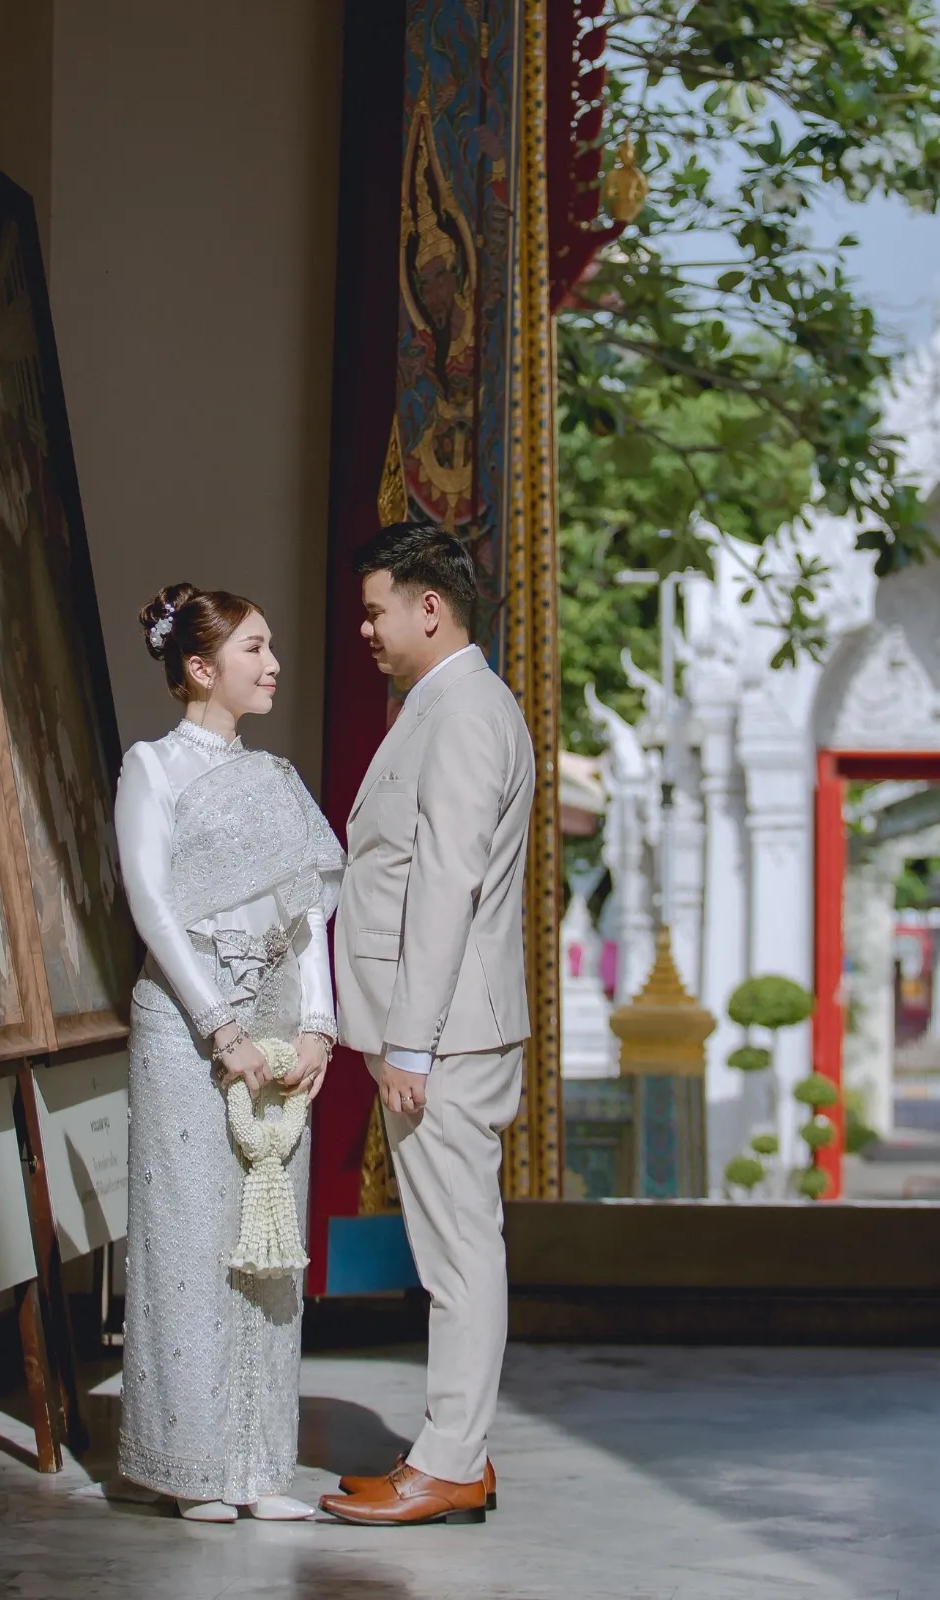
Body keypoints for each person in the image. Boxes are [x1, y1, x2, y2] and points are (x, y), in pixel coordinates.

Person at [113, 582, 344, 1524]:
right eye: (255, 647)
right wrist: (220, 1026)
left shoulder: (279, 779)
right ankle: (188, 1468)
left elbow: (308, 919)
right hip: (187, 1027)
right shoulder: (152, 768)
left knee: (267, 1249)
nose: (273, 662)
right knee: (189, 1244)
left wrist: (320, 1026)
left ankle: (257, 1469)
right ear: (201, 667)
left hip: (279, 1029)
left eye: (271, 645)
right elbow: (151, 903)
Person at [321, 522, 535, 1528]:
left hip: (444, 1034)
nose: (364, 628)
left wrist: (408, 1041)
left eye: (374, 609)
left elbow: (445, 880)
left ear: (428, 606)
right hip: (441, 1027)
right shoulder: (448, 705)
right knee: (454, 1248)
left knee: (456, 1253)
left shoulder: (463, 712)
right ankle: (457, 1453)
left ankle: (450, 1461)